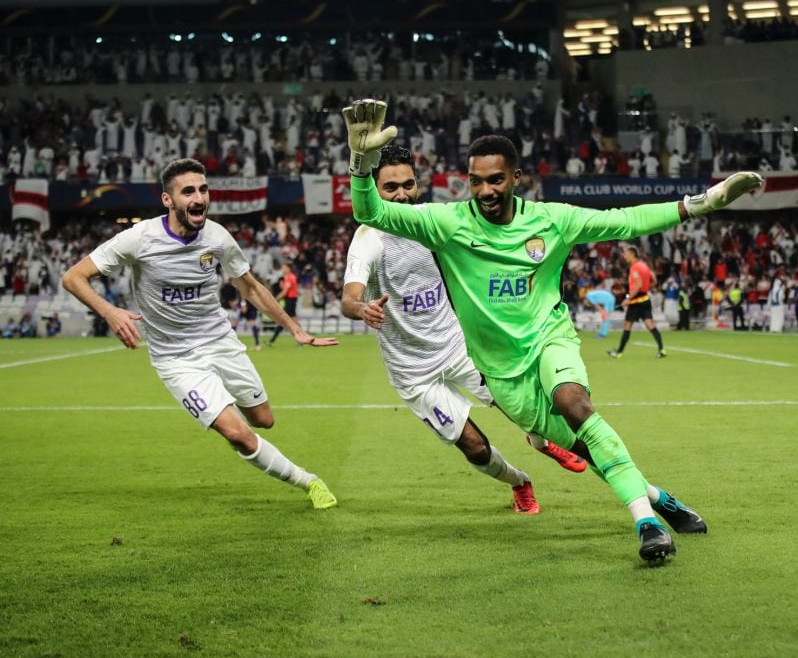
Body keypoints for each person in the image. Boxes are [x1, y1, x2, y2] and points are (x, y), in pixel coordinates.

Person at [343, 98, 762, 563]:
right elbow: (370, 213)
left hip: (549, 339)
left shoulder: (552, 220)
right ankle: (659, 499)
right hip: (501, 372)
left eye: (496, 179)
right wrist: (361, 164)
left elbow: (624, 220)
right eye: (476, 181)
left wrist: (703, 203)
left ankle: (646, 524)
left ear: (516, 178)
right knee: (581, 443)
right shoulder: (446, 224)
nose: (485, 190)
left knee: (573, 402)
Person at [62, 157, 340, 510]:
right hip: (176, 359)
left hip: (221, 343)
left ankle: (229, 414)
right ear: (168, 200)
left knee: (263, 421)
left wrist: (295, 329)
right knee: (238, 433)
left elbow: (250, 287)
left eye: (203, 190)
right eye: (188, 191)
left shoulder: (217, 237)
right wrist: (110, 311)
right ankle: (309, 481)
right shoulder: (139, 239)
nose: (199, 198)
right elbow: (73, 277)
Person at [341, 146, 586, 516]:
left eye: (408, 184)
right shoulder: (369, 239)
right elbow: (348, 297)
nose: (402, 194)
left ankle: (543, 439)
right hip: (413, 371)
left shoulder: (431, 220)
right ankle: (519, 482)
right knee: (474, 447)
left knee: (517, 402)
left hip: (458, 346)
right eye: (390, 188)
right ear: (374, 191)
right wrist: (361, 307)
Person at [607, 245, 665, 359]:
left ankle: (619, 352)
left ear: (632, 254)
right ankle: (662, 349)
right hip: (645, 300)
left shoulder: (635, 267)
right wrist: (646, 288)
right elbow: (654, 280)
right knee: (650, 325)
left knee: (627, 326)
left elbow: (638, 285)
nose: (624, 256)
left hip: (635, 302)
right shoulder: (644, 266)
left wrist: (628, 298)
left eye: (626, 254)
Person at [266, 262, 298, 346]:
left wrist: (275, 300)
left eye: (284, 268)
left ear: (288, 269)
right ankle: (302, 339)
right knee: (293, 321)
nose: (282, 270)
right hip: (290, 301)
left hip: (291, 300)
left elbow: (285, 292)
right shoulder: (287, 278)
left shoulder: (291, 277)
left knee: (283, 320)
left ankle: (272, 340)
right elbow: (285, 289)